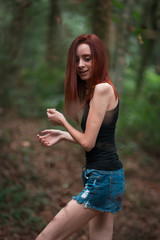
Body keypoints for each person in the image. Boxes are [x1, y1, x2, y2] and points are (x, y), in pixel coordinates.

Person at [36, 34, 125, 240]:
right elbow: (98, 139)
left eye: (87, 58)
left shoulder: (102, 89)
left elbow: (87, 142)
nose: (80, 65)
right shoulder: (101, 89)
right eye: (77, 59)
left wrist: (63, 121)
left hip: (103, 180)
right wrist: (63, 134)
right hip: (110, 178)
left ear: (99, 58)